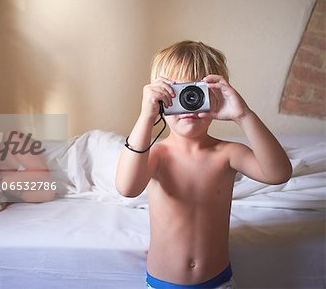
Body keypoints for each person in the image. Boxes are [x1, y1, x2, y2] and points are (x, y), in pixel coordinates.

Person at [115, 40, 292, 289]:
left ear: (216, 97)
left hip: (218, 281)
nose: (188, 104)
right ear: (161, 98)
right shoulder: (157, 155)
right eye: (177, 93)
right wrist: (146, 116)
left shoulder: (227, 153)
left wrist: (244, 115)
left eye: (196, 92)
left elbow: (280, 173)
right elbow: (126, 187)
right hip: (162, 283)